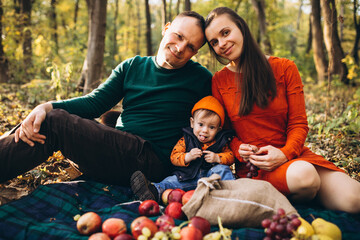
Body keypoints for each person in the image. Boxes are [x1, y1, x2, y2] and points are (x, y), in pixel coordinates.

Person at [0, 11, 212, 187]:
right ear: (166, 28)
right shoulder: (132, 66)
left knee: (56, 122)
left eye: (191, 47)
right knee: (64, 116)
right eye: (179, 36)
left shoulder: (200, 78)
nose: (181, 47)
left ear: (195, 52)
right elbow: (94, 103)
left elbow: (224, 115)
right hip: (119, 152)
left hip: (152, 161)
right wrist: (45, 106)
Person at [204, 7, 360, 214]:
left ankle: (302, 193)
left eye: (225, 33)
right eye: (214, 42)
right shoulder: (219, 80)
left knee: (354, 200)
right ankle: (297, 194)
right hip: (255, 168)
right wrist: (239, 149)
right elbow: (225, 132)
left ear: (241, 28)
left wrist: (285, 154)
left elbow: (298, 124)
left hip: (294, 156)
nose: (221, 44)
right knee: (305, 176)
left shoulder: (285, 68)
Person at [130, 96, 235, 202]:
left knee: (222, 169)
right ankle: (154, 191)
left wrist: (217, 157)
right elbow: (174, 157)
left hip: (211, 179)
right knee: (171, 181)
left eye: (211, 127)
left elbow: (230, 156)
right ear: (192, 123)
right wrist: (187, 156)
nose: (205, 130)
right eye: (201, 124)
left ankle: (233, 193)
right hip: (187, 178)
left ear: (218, 129)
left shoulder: (220, 142)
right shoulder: (185, 139)